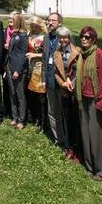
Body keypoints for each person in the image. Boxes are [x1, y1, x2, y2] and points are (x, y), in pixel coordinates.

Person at [76, 26, 102, 179]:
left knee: (97, 135)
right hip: (82, 98)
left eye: (88, 37)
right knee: (86, 133)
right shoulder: (81, 54)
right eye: (82, 36)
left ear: (94, 39)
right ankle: (89, 166)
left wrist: (101, 102)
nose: (84, 39)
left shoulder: (99, 54)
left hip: (96, 100)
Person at [53, 26, 81, 162]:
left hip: (75, 91)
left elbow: (80, 71)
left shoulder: (77, 51)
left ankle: (78, 149)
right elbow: (55, 72)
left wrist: (72, 83)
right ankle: (70, 147)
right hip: (64, 90)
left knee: (77, 121)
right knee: (67, 120)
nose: (62, 40)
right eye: (60, 37)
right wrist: (62, 83)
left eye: (65, 37)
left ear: (69, 38)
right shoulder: (57, 53)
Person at [41, 12, 62, 141]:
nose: (50, 22)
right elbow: (44, 60)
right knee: (51, 110)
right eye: (49, 20)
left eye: (53, 20)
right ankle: (56, 137)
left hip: (60, 81)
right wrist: (43, 79)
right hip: (49, 79)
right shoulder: (46, 37)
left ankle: (65, 137)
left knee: (62, 111)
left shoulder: (64, 37)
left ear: (60, 23)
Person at [6, 14, 28, 128]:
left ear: (18, 22)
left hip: (18, 69)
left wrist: (18, 71)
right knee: (12, 93)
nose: (11, 21)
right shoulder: (14, 34)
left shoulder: (23, 36)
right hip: (10, 66)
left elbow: (23, 55)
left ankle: (22, 119)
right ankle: (15, 117)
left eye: (13, 20)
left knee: (20, 95)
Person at [26, 16, 47, 132]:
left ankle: (43, 122)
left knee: (41, 97)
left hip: (40, 68)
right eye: (31, 25)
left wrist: (35, 55)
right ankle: (35, 118)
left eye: (35, 26)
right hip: (30, 67)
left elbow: (49, 54)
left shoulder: (45, 37)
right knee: (31, 95)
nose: (33, 28)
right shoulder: (29, 35)